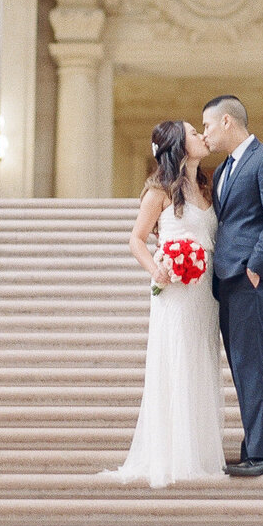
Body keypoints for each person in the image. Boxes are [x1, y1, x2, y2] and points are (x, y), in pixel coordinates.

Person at [102, 119, 225, 488]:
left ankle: (199, 449)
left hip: (205, 290)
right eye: (192, 132)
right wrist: (156, 268)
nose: (201, 135)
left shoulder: (206, 184)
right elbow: (137, 239)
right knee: (179, 361)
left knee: (201, 360)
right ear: (177, 144)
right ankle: (174, 453)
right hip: (175, 290)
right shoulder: (159, 189)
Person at [202, 94, 263, 477]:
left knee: (249, 362)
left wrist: (256, 266)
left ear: (227, 121)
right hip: (226, 279)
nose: (204, 133)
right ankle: (254, 445)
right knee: (242, 364)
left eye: (206, 125)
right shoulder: (223, 170)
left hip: (250, 277)